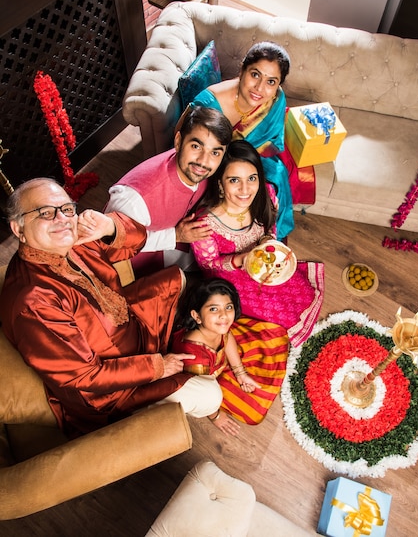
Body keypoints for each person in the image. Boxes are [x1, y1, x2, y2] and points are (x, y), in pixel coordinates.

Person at [0, 178, 222, 437]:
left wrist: (109, 225)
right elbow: (86, 378)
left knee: (179, 280)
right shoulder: (33, 303)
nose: (62, 219)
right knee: (211, 396)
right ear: (18, 228)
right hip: (110, 391)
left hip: (131, 328)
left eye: (67, 209)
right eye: (46, 213)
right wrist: (159, 366)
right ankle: (134, 417)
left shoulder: (73, 241)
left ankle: (168, 354)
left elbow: (135, 242)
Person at [190, 140, 325, 347]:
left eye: (252, 178)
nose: (245, 190)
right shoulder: (205, 224)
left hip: (263, 260)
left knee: (299, 291)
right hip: (231, 275)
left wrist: (267, 240)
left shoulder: (266, 193)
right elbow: (208, 264)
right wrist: (239, 260)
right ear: (220, 183)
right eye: (234, 180)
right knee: (276, 316)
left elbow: (270, 226)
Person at [105, 105, 233, 276]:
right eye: (196, 146)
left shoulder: (207, 171)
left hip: (181, 256)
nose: (204, 161)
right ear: (179, 142)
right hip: (131, 271)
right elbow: (112, 243)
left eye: (215, 153)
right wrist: (175, 236)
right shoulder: (135, 199)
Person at [192, 41, 295, 240]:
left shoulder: (276, 99)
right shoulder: (209, 103)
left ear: (278, 85)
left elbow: (272, 139)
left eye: (271, 82)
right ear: (242, 70)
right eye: (255, 75)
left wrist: (249, 163)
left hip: (253, 154)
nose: (259, 88)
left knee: (277, 173)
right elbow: (191, 146)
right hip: (213, 163)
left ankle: (272, 235)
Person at [171, 278, 261, 436]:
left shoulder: (216, 327)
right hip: (200, 380)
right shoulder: (195, 358)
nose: (224, 315)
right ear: (196, 316)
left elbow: (227, 335)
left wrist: (241, 373)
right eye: (214, 309)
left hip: (215, 367)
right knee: (254, 411)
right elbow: (200, 394)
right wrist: (215, 416)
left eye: (228, 307)